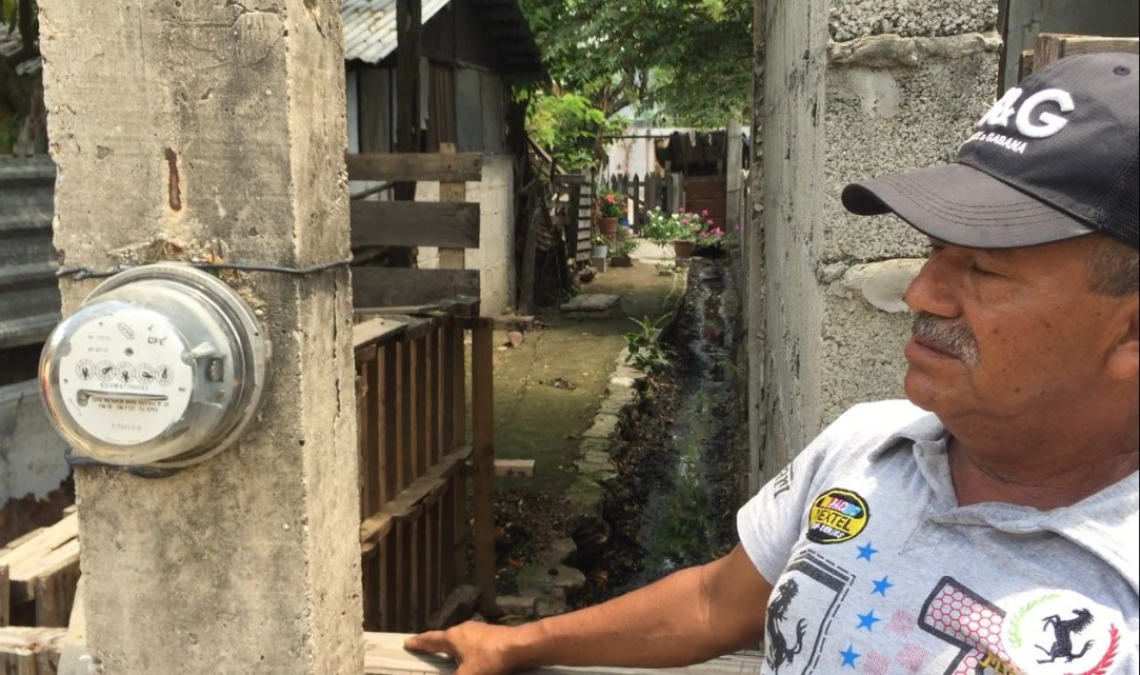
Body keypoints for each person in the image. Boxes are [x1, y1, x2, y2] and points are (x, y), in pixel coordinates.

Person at [406, 52, 1139, 675]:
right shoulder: (867, 448)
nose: (922, 292)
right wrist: (519, 641)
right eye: (933, 251)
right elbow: (713, 602)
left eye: (982, 269)